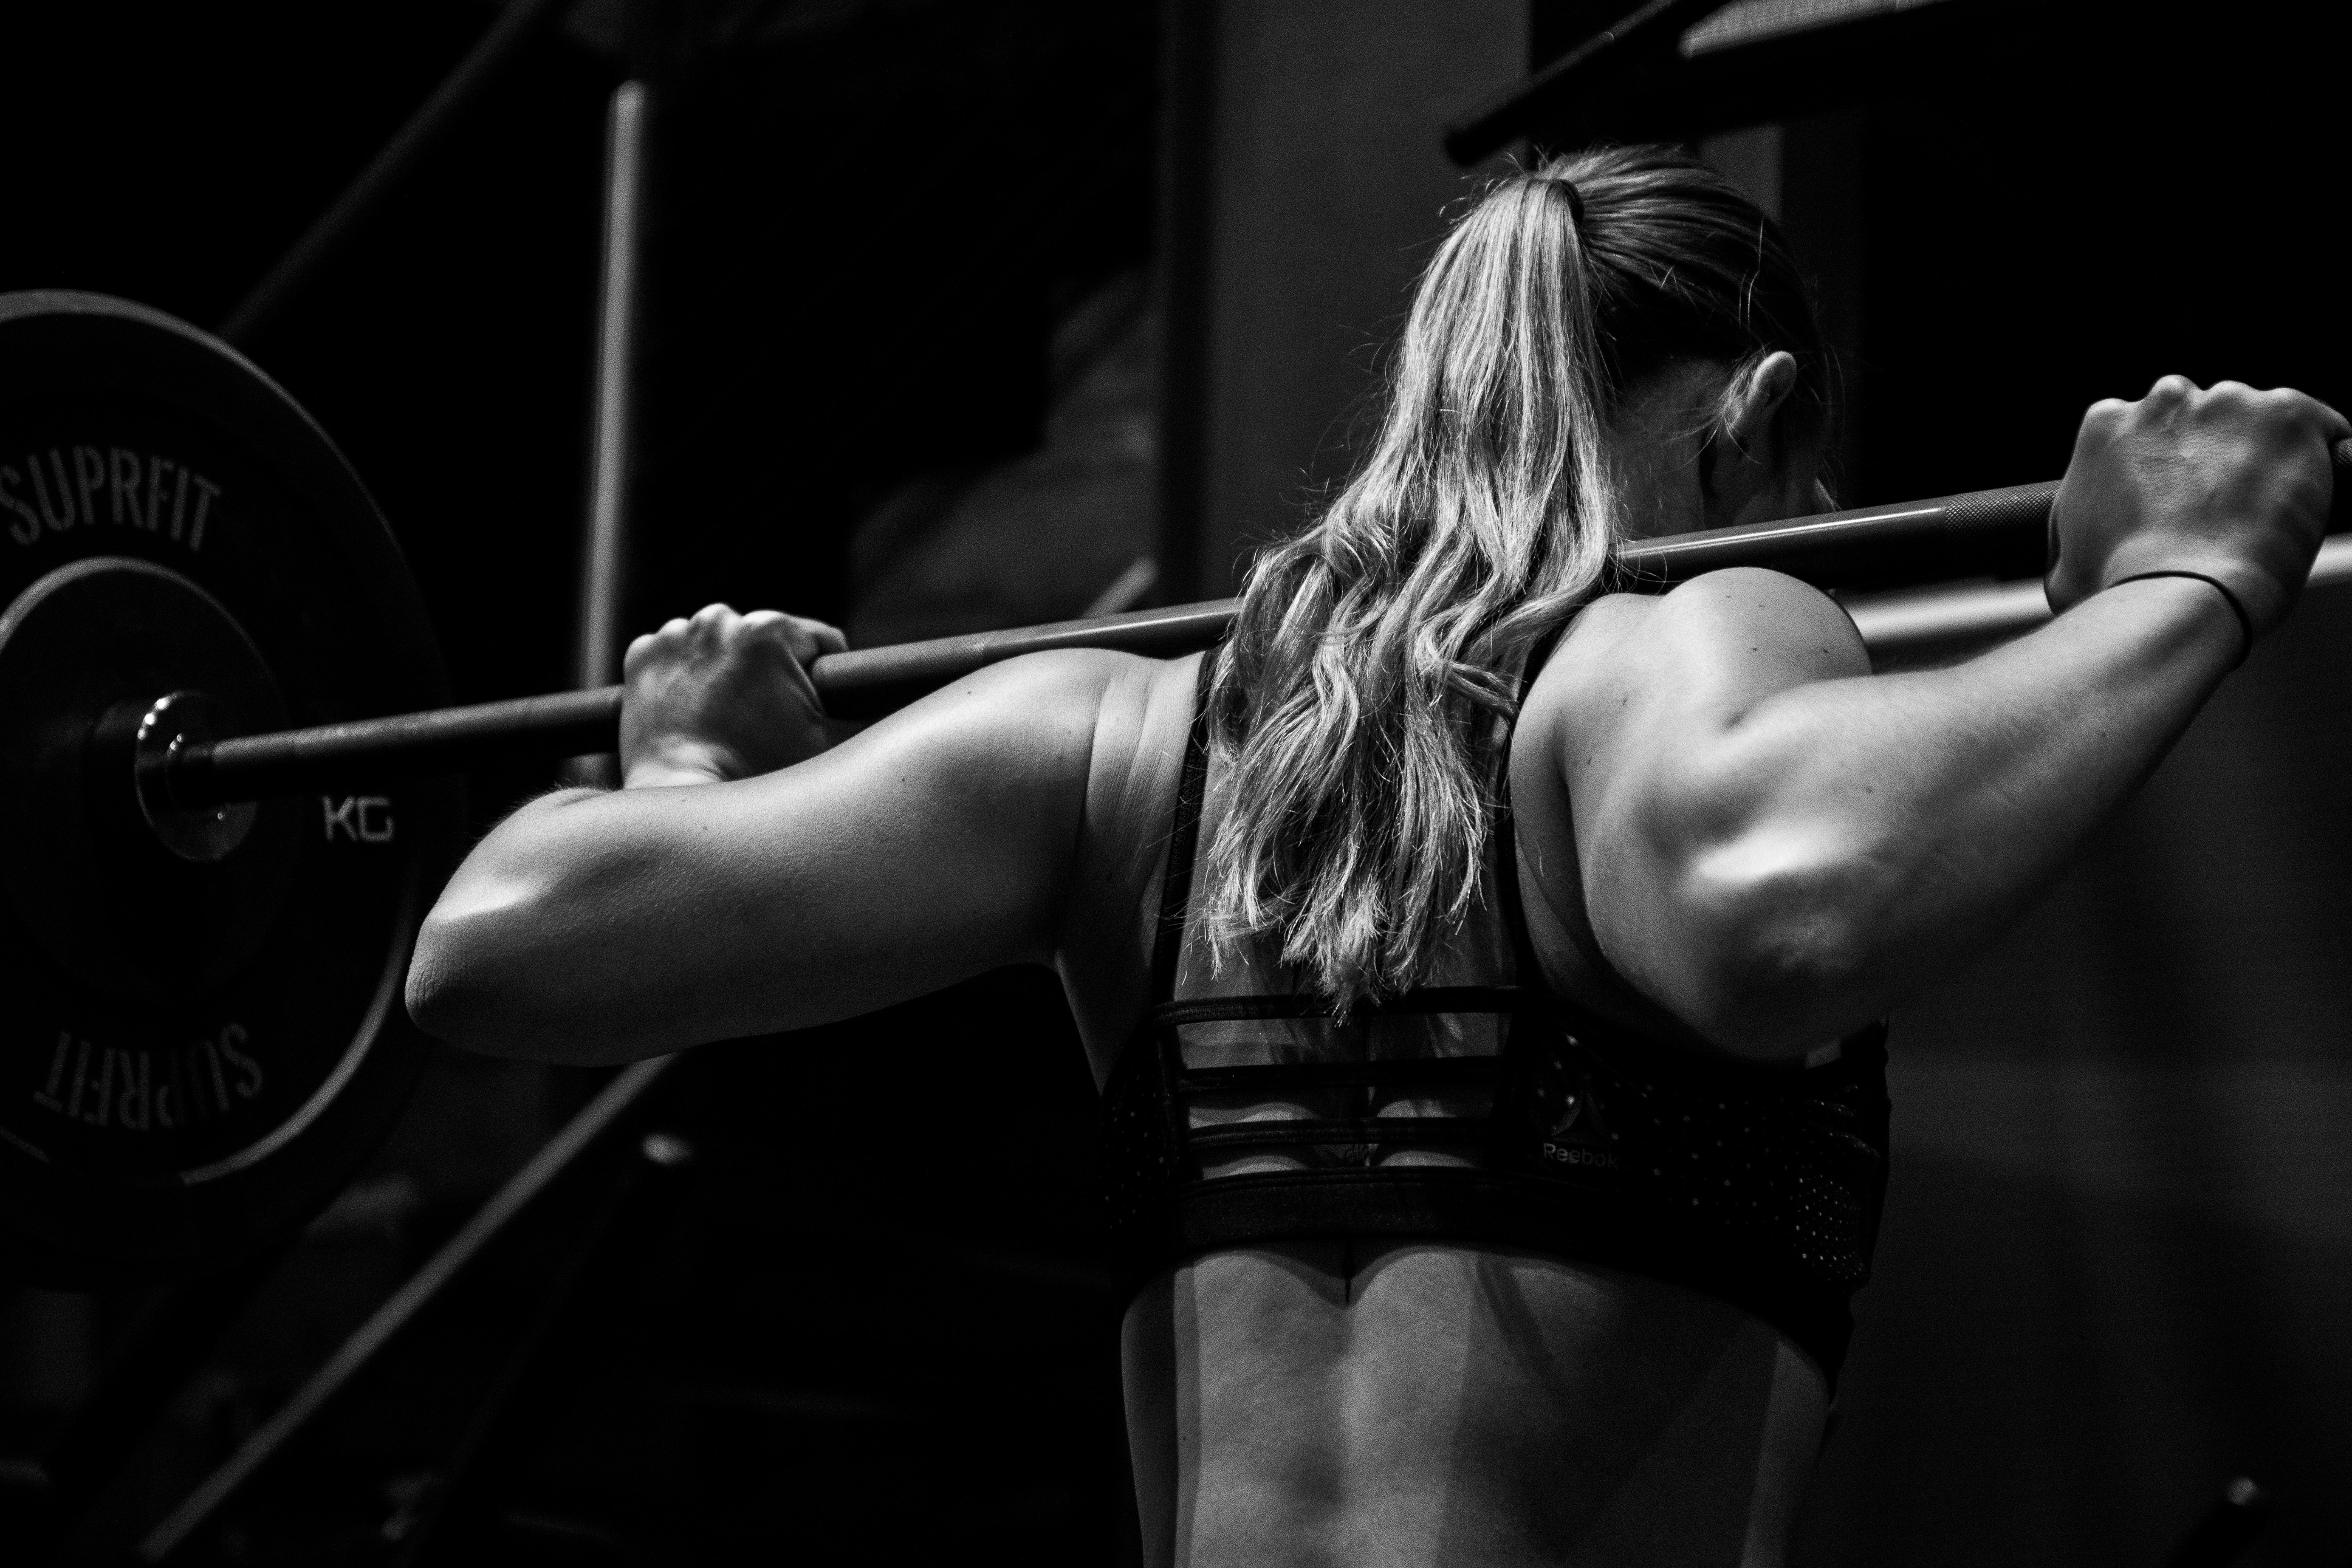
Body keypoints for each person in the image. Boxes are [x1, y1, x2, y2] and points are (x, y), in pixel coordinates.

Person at [406, 144, 2345, 1567]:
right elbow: (1781, 913)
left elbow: (497, 943)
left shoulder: (1108, 740)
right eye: (1799, 480)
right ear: (1751, 427)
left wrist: (680, 773)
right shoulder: (1687, 632)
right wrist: (2187, 575)